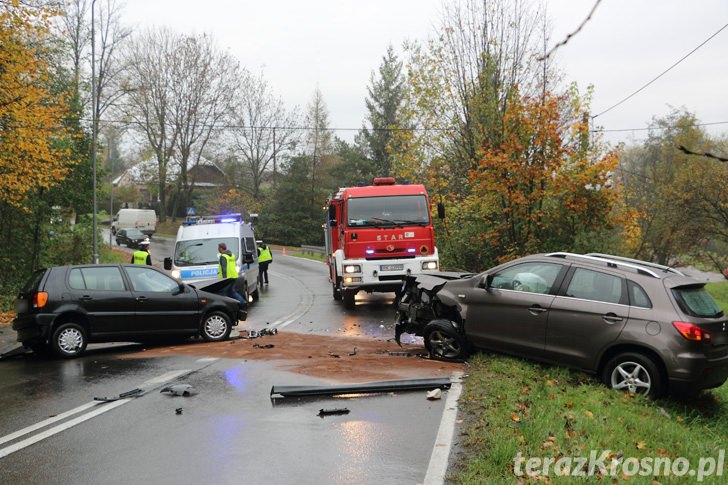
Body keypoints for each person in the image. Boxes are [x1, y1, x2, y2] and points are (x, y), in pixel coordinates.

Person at [217, 242, 248, 311]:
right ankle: (243, 303)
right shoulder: (232, 255)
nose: (217, 249)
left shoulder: (223, 257)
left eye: (218, 248)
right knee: (232, 292)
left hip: (227, 278)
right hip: (234, 276)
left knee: (222, 293)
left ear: (221, 249)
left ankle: (224, 308)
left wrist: (223, 279)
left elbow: (224, 269)